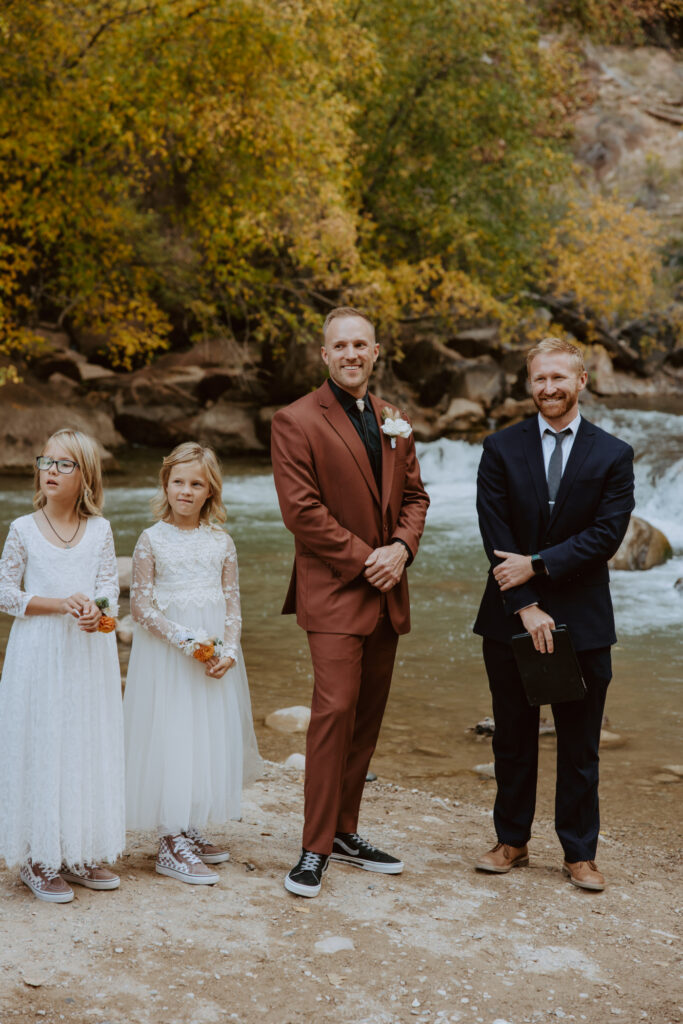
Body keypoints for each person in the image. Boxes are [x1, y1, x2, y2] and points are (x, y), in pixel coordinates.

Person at [271, 306, 430, 897]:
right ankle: (313, 849)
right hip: (337, 591)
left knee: (367, 718)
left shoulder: (395, 420)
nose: (351, 354)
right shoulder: (294, 421)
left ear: (376, 351)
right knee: (334, 713)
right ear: (325, 355)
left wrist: (401, 550)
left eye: (361, 344)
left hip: (389, 590)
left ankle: (345, 831)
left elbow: (416, 497)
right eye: (341, 346)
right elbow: (302, 512)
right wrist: (371, 558)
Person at [473, 336, 635, 891]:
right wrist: (525, 605)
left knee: (580, 742)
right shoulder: (499, 448)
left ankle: (579, 853)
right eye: (539, 379)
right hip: (510, 617)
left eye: (558, 379)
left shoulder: (613, 454)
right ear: (530, 383)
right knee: (513, 737)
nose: (549, 389)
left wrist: (537, 565)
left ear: (581, 380)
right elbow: (494, 534)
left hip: (584, 621)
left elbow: (605, 537)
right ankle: (512, 841)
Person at [123, 442, 260, 885]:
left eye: (196, 484)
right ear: (166, 483)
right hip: (170, 658)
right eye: (178, 481)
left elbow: (234, 603)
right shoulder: (151, 539)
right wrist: (185, 639)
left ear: (209, 492)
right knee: (172, 734)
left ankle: (187, 824)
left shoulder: (221, 541)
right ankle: (168, 839)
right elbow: (141, 607)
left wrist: (230, 650)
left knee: (203, 735)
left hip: (212, 657)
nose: (186, 490)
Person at [0, 429, 125, 902]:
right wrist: (57, 604)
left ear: (85, 476)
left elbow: (109, 591)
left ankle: (77, 850)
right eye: (45, 461)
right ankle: (37, 857)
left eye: (63, 464)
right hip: (38, 654)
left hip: (87, 656)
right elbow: (4, 593)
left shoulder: (101, 530)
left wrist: (99, 613)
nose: (50, 470)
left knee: (83, 743)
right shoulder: (23, 528)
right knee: (42, 742)